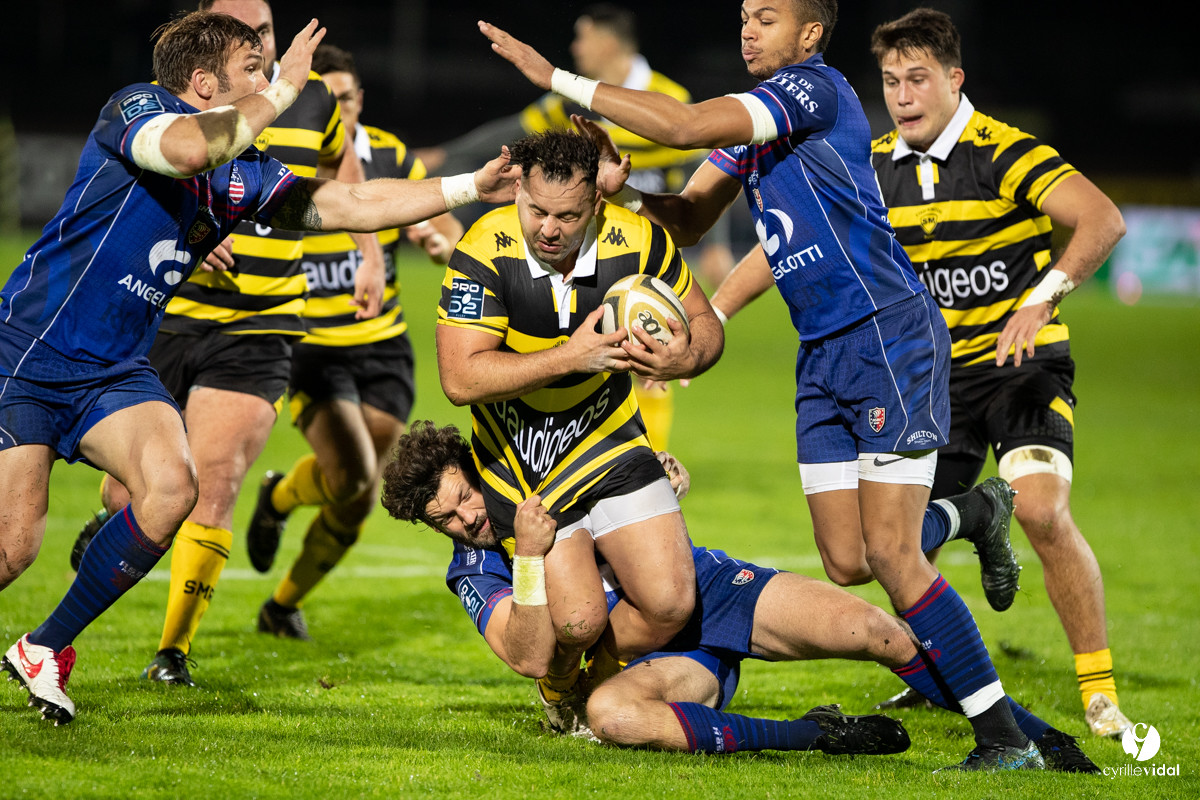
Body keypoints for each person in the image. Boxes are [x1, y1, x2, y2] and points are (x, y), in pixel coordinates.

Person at [478, 1, 1042, 771]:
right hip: (820, 356)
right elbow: (683, 221)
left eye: (767, 17)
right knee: (848, 558)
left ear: (808, 34)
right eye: (744, 15)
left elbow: (680, 126)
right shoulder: (761, 132)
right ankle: (974, 510)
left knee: (894, 558)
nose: (748, 28)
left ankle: (1005, 741)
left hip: (884, 334)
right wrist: (622, 193)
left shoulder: (814, 90)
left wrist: (558, 80)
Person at [0, 10, 516, 724]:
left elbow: (349, 201)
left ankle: (45, 648)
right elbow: (183, 151)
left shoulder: (241, 174)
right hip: (33, 351)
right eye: (252, 70)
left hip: (114, 369)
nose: (268, 81)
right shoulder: (140, 108)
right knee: (13, 547)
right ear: (204, 80)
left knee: (172, 489)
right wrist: (283, 89)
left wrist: (468, 187)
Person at [376, 421, 1099, 772]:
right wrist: (528, 561)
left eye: (463, 496)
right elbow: (528, 654)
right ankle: (817, 734)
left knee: (883, 633)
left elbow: (619, 491)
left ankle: (1031, 735)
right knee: (613, 715)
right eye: (444, 517)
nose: (466, 517)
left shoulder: (531, 475)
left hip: (707, 593)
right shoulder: (474, 568)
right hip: (656, 665)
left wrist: (650, 486)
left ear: (472, 471)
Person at [68, 0, 390, 687]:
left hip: (262, 322)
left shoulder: (312, 107)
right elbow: (156, 178)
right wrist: (189, 230)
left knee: (212, 483)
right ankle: (114, 530)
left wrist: (369, 255)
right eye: (243, 35)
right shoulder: (177, 106)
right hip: (171, 313)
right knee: (134, 496)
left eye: (266, 34)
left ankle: (173, 651)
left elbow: (345, 183)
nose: (259, 45)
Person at [866, 8, 1131, 739]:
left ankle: (1099, 688)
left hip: (1021, 370)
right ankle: (934, 675)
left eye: (917, 78)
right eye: (890, 81)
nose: (902, 95)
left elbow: (1101, 219)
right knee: (898, 543)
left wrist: (1040, 301)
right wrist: (716, 317)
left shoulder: (1004, 152)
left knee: (1043, 510)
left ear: (954, 80)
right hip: (931, 382)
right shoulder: (876, 164)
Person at [435, 128, 724, 713]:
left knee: (670, 604)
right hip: (523, 461)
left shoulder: (638, 240)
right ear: (517, 190)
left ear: (597, 203)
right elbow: (460, 380)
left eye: (566, 215)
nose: (548, 228)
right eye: (536, 209)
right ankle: (561, 680)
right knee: (576, 619)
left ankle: (583, 687)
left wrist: (684, 355)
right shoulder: (484, 249)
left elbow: (708, 325)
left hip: (610, 438)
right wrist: (575, 356)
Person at [419, 4, 725, 451]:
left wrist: (712, 244)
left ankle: (651, 453)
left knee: (648, 340)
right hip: (583, 243)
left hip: (638, 242)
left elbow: (695, 188)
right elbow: (511, 134)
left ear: (608, 40)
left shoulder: (669, 101)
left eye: (582, 38)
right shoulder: (568, 105)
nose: (576, 48)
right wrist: (447, 157)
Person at [244, 43, 463, 640]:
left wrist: (444, 243)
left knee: (360, 496)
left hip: (384, 344)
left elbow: (441, 219)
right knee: (354, 478)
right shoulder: (283, 159)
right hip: (313, 348)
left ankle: (282, 605)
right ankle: (282, 497)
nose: (333, 113)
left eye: (343, 99)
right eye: (324, 102)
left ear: (359, 100)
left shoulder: (389, 154)